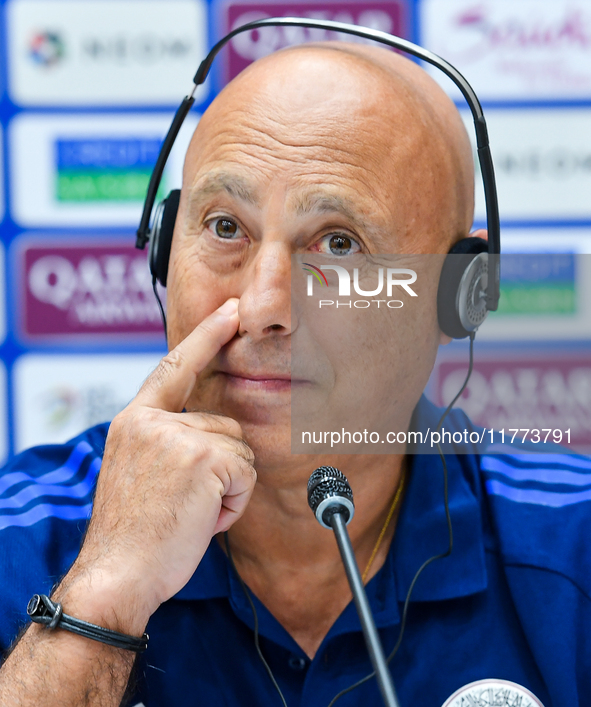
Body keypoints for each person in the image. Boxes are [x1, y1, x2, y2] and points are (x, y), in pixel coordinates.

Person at [1, 41, 590, 707]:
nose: (263, 307)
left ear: (461, 293)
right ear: (166, 247)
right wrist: (103, 597)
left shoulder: (573, 547)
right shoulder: (19, 537)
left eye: (338, 244)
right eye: (226, 227)